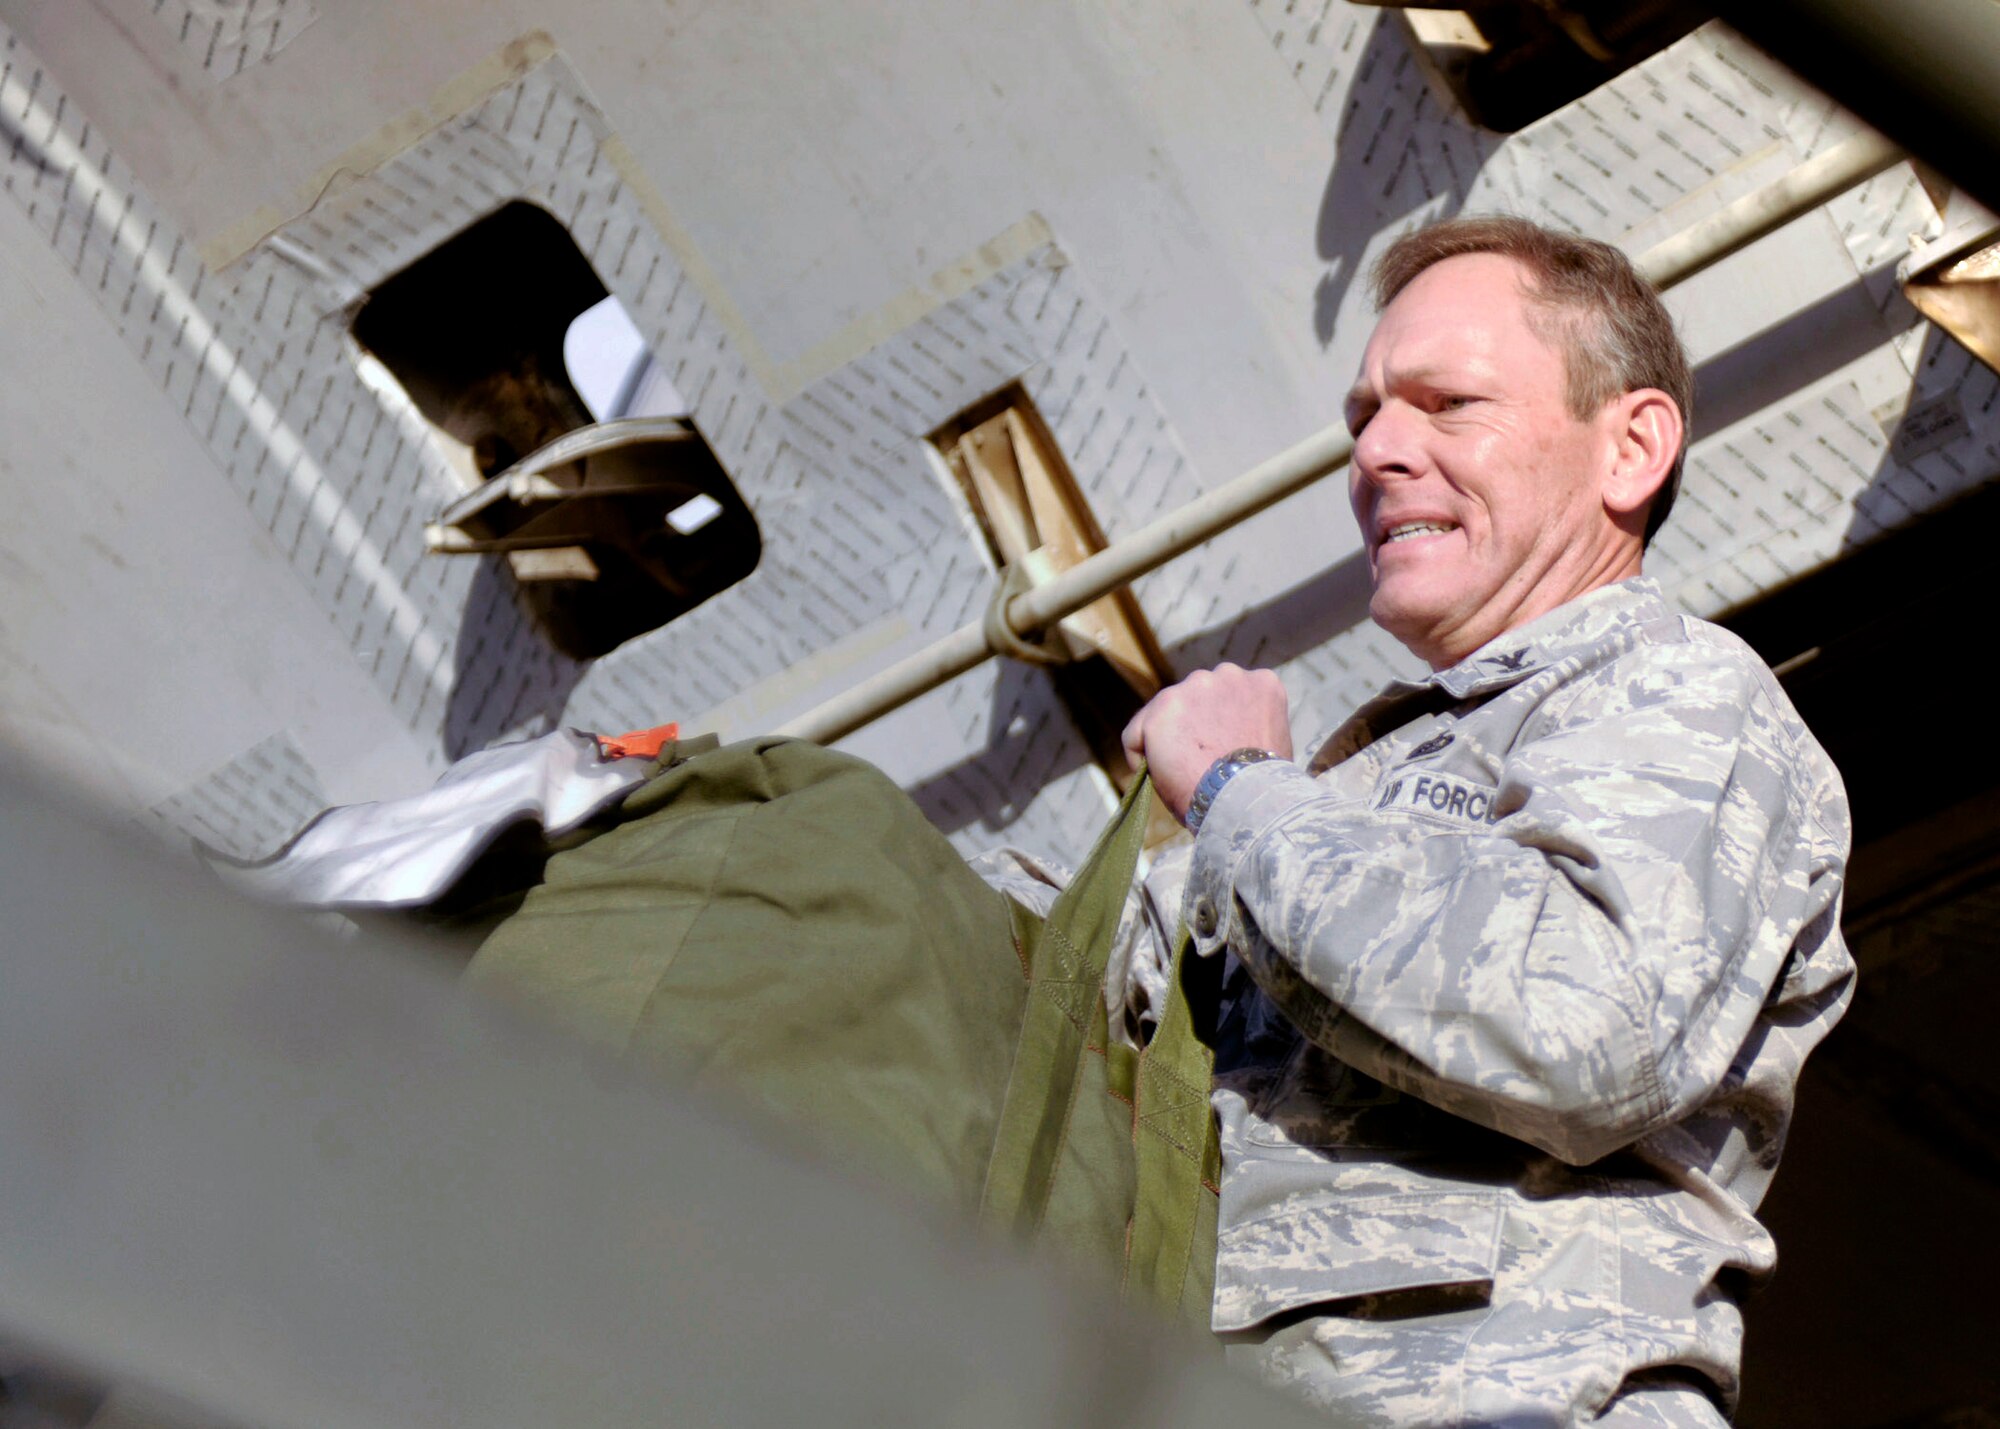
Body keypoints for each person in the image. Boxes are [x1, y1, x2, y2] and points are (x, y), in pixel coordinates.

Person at [1118, 217, 1854, 1427]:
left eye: (1446, 402)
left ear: (1629, 447)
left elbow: (1576, 1023)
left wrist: (1239, 790)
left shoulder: (1676, 692)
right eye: (1363, 418)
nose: (1377, 454)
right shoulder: (1347, 787)